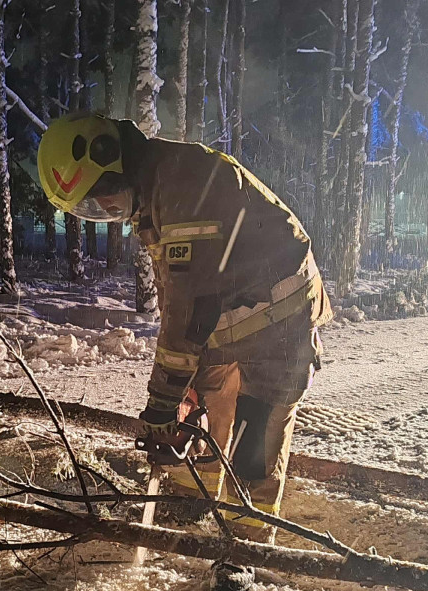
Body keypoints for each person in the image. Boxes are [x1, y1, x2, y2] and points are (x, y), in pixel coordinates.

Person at [37, 113, 332, 542]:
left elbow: (189, 306)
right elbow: (182, 299)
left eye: (102, 199)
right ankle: (191, 501)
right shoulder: (155, 191)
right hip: (228, 313)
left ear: (114, 160)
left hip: (280, 322)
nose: (106, 212)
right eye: (91, 210)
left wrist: (161, 401)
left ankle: (245, 543)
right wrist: (180, 390)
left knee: (254, 440)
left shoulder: (184, 183)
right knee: (205, 412)